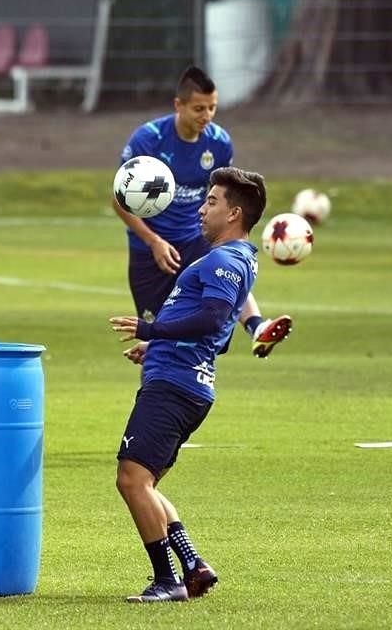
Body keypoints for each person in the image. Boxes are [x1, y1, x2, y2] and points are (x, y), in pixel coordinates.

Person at [109, 166, 267, 603]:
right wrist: (155, 348)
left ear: (234, 213)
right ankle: (194, 565)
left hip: (175, 386)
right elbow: (217, 334)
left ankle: (167, 582)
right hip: (181, 378)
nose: (202, 208)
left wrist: (151, 333)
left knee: (131, 480)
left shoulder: (224, 260)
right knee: (144, 483)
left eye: (212, 201)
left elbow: (214, 319)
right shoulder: (234, 259)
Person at [111, 65, 291, 359]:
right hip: (150, 251)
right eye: (198, 108)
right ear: (178, 105)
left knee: (225, 272)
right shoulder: (149, 140)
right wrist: (153, 241)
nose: (206, 115)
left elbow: (221, 194)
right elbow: (119, 200)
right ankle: (153, 397)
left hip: (196, 237)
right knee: (158, 338)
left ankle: (257, 327)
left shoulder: (219, 142)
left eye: (212, 107)